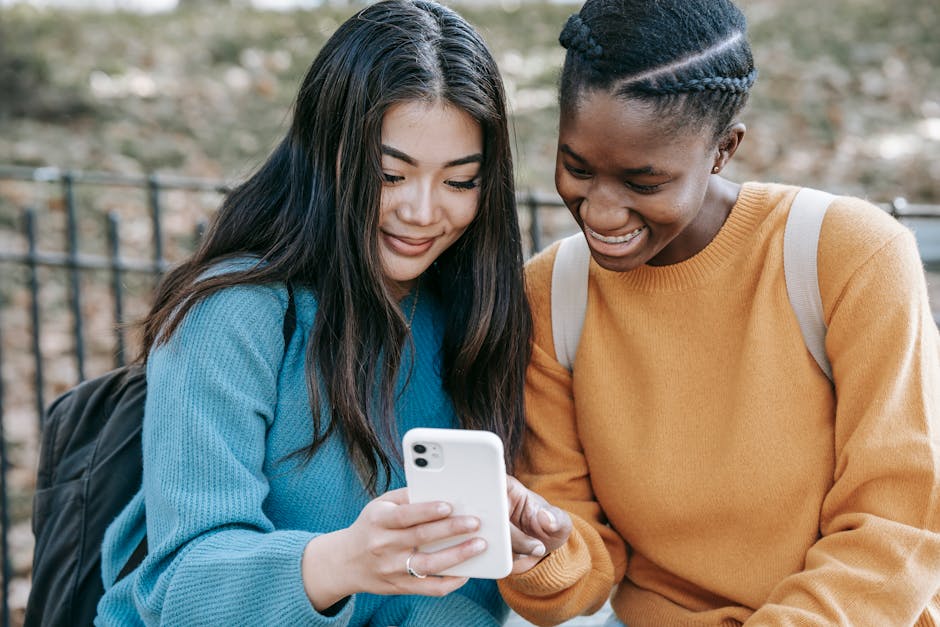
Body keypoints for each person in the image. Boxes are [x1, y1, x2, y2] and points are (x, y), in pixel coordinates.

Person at [498, 0, 940, 625]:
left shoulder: (852, 257)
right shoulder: (550, 295)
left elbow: (899, 525)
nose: (599, 211)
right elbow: (584, 563)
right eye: (576, 168)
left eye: (643, 183)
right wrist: (537, 553)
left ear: (723, 151)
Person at [94, 1, 537, 624]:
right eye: (389, 175)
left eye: (460, 182)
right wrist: (344, 562)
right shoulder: (234, 315)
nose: (422, 210)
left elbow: (452, 601)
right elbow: (180, 590)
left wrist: (516, 546)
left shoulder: (473, 317)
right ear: (329, 157)